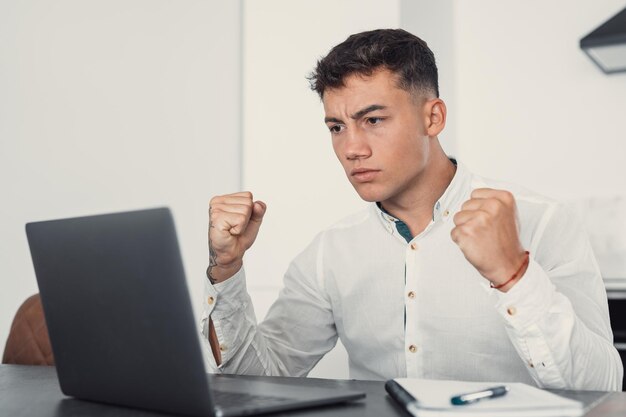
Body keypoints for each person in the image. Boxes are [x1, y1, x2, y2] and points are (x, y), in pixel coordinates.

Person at [201, 28, 623, 390]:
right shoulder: (330, 253)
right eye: (336, 127)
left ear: (433, 118)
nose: (351, 149)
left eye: (374, 120)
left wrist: (514, 275)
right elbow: (256, 381)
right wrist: (227, 268)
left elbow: (602, 389)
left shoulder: (544, 222)